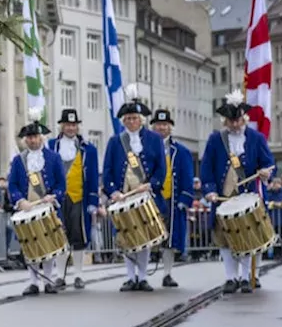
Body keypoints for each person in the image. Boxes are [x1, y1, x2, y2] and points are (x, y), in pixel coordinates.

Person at [199, 90, 275, 293]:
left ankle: (249, 276)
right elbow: (206, 169)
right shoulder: (216, 140)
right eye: (231, 121)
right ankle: (231, 277)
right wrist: (209, 191)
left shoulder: (256, 138)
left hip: (249, 197)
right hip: (224, 198)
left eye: (238, 120)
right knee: (225, 239)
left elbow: (269, 163)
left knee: (252, 235)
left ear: (244, 119)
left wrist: (266, 173)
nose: (234, 124)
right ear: (225, 121)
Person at [102, 88, 165, 292]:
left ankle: (143, 276)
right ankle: (130, 277)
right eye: (127, 118)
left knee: (145, 238)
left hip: (144, 195)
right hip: (122, 197)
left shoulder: (154, 139)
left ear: (141, 120)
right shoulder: (115, 141)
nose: (131, 122)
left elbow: (161, 169)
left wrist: (152, 184)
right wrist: (113, 192)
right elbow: (108, 170)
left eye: (134, 118)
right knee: (127, 237)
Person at [9, 121, 67, 295]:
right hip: (27, 209)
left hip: (46, 207)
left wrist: (53, 196)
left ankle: (48, 280)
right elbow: (12, 186)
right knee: (30, 245)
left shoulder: (54, 158)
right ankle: (33, 282)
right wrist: (20, 201)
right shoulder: (18, 160)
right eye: (29, 137)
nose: (32, 140)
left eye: (35, 137)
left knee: (48, 245)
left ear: (41, 138)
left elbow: (61, 184)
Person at [47, 109, 98, 289]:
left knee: (78, 236)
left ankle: (78, 275)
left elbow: (92, 177)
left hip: (79, 198)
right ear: (62, 125)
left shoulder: (88, 149)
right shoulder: (51, 146)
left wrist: (93, 202)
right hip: (58, 199)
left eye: (73, 125)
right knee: (60, 237)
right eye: (68, 125)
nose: (70, 128)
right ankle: (60, 275)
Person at [149, 109, 195, 288]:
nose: (162, 127)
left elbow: (187, 176)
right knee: (146, 238)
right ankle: (139, 276)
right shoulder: (145, 149)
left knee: (169, 240)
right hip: (152, 199)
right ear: (153, 126)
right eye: (159, 124)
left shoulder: (181, 151)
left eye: (165, 125)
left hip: (172, 199)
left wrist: (185, 198)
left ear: (171, 127)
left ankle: (167, 274)